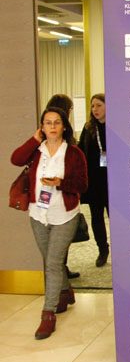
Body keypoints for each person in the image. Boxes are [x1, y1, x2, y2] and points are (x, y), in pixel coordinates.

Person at [10, 107, 88, 339]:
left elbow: (82, 185)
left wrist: (60, 183)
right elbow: (15, 159)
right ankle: (65, 292)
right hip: (38, 214)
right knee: (51, 260)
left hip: (64, 215)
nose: (52, 126)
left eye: (57, 122)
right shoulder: (36, 151)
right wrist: (34, 140)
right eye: (48, 122)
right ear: (42, 127)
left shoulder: (73, 153)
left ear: (64, 126)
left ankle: (48, 314)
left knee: (53, 263)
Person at [46, 94, 81, 279]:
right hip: (51, 195)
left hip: (60, 194)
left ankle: (61, 271)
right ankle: (60, 274)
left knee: (58, 239)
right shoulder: (54, 136)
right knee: (55, 240)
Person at [79, 94, 110, 267]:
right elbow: (81, 151)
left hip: (112, 182)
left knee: (115, 218)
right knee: (97, 218)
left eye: (99, 105)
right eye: (92, 106)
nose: (95, 109)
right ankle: (102, 250)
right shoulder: (89, 128)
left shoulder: (115, 126)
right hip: (94, 182)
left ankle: (121, 249)